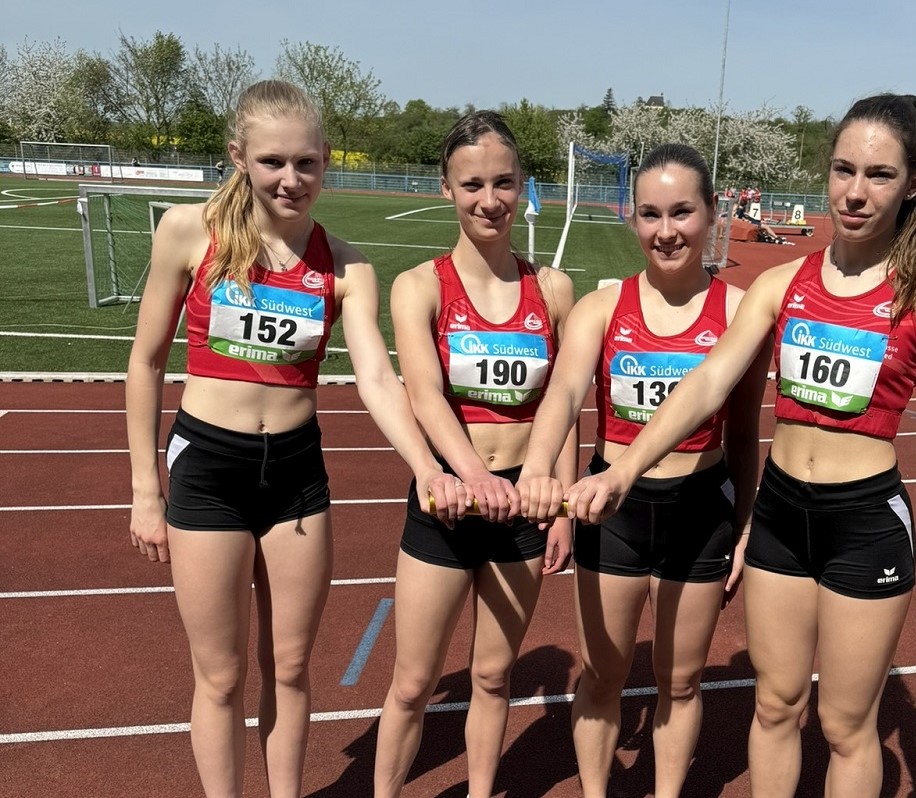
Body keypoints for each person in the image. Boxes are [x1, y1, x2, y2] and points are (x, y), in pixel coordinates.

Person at [561, 93, 916, 797]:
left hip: (864, 522)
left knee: (845, 726)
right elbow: (709, 380)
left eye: (878, 174)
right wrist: (623, 468)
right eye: (844, 170)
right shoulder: (781, 286)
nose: (855, 191)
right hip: (780, 513)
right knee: (776, 706)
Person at [125, 79, 467, 798]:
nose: (291, 179)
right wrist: (143, 492)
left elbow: (376, 377)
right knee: (219, 676)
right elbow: (146, 361)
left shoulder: (347, 265)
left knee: (288, 667)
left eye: (307, 163)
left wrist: (428, 466)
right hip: (207, 467)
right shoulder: (189, 233)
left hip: (295, 476)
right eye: (274, 161)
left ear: (325, 164)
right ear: (238, 157)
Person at [516, 143, 770, 798]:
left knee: (680, 683)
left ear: (712, 214)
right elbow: (565, 396)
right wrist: (542, 469)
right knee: (602, 679)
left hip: (701, 514)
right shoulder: (601, 311)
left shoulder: (741, 313)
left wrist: (742, 526)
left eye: (682, 212)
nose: (666, 231)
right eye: (651, 214)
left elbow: (744, 437)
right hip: (614, 514)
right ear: (632, 220)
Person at [373, 110, 576, 798]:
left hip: (521, 503)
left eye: (502, 182)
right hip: (450, 503)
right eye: (472, 185)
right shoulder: (420, 287)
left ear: (522, 186)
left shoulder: (553, 290)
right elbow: (425, 397)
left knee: (494, 676)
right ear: (446, 188)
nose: (488, 199)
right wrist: (472, 476)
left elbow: (565, 401)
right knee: (412, 682)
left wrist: (562, 504)